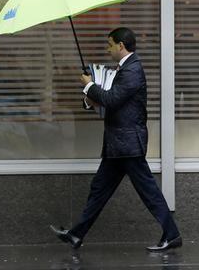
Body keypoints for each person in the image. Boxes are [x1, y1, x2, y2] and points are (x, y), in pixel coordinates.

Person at [50, 27, 182, 252]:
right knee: (99, 189)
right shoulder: (123, 69)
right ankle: (76, 235)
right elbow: (110, 101)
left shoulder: (133, 70)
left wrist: (89, 85)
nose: (108, 49)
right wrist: (90, 97)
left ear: (121, 46)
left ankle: (172, 235)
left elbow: (112, 99)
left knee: (148, 192)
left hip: (128, 145)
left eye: (110, 44)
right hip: (118, 145)